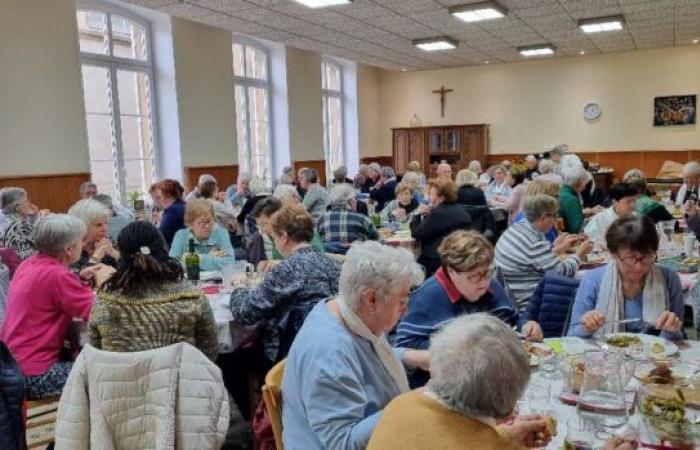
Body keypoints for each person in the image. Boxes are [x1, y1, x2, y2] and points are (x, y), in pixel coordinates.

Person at [282, 241, 429, 450]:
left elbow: (367, 356)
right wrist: (412, 403)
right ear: (371, 299)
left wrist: (410, 356)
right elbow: (344, 443)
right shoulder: (330, 352)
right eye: (402, 302)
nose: (405, 311)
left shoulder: (346, 310)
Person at [369, 314, 553, 450]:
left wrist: (505, 437)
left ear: (434, 366)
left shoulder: (402, 404)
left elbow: (447, 437)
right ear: (509, 411)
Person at [395, 231, 542, 387]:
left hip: (496, 377)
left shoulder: (492, 286)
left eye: (487, 273)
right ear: (451, 271)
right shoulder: (427, 297)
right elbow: (402, 349)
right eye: (474, 276)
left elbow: (512, 319)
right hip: (449, 386)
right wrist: (459, 349)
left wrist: (525, 324)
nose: (484, 283)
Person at [0, 215, 112, 399]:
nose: (83, 245)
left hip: (12, 366)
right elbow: (101, 313)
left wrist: (80, 279)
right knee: (110, 374)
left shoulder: (29, 264)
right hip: (34, 374)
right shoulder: (57, 275)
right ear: (69, 249)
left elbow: (52, 294)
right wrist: (104, 282)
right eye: (81, 241)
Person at [230, 203, 341, 366]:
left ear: (283, 236)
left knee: (230, 360)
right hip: (333, 349)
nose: (274, 242)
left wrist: (239, 288)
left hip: (292, 354)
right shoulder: (333, 265)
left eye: (274, 237)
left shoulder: (287, 270)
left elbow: (245, 313)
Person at [91, 221, 218, 361]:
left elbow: (96, 356)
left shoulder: (105, 302)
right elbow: (209, 354)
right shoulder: (192, 297)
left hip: (121, 381)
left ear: (121, 255)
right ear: (162, 249)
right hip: (179, 380)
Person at [569, 216, 684, 340]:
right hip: (606, 353)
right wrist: (587, 327)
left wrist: (671, 329)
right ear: (613, 254)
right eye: (630, 258)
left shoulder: (669, 278)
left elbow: (678, 337)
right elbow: (572, 335)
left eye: (646, 257)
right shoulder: (594, 279)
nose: (639, 267)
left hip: (657, 355)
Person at [495, 195, 590, 311]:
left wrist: (560, 247)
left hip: (513, 292)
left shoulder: (518, 228)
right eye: (554, 216)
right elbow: (562, 272)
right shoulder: (535, 242)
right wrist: (579, 254)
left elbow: (535, 259)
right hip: (529, 301)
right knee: (587, 288)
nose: (555, 220)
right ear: (544, 217)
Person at [411, 179, 473, 277]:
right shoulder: (461, 211)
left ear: (441, 198)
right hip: (459, 258)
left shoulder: (437, 214)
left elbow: (417, 234)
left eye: (431, 194)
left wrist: (417, 215)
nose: (429, 198)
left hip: (436, 260)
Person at [253, 197, 325, 264]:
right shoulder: (273, 237)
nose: (262, 230)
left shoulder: (301, 232)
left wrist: (277, 264)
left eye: (264, 224)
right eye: (259, 225)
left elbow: (317, 259)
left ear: (277, 217)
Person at [169, 199, 235, 271]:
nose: (207, 226)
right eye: (202, 223)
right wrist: (210, 258)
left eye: (209, 221)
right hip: (190, 281)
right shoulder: (181, 235)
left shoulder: (221, 233)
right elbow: (172, 266)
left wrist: (198, 258)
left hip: (216, 281)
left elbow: (230, 263)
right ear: (190, 224)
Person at [317, 184, 379, 254]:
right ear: (350, 201)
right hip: (356, 261)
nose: (356, 202)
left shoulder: (321, 219)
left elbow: (318, 244)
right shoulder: (362, 219)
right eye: (355, 199)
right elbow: (378, 242)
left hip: (330, 261)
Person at [68, 199, 120, 271]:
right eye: (98, 225)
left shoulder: (108, 240)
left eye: (106, 223)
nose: (105, 229)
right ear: (82, 226)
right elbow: (76, 280)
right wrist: (96, 257)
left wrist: (114, 253)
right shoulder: (70, 249)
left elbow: (130, 272)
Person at [0, 187, 40, 259]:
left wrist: (33, 217)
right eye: (26, 201)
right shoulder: (20, 226)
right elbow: (40, 245)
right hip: (24, 264)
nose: (29, 204)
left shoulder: (5, 218)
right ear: (17, 207)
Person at [558, 164, 589, 233]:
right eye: (584, 180)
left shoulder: (562, 191)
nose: (585, 184)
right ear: (579, 181)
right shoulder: (571, 199)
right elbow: (578, 228)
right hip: (568, 236)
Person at [156, 179, 186, 246]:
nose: (159, 201)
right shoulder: (184, 205)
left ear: (168, 195)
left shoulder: (171, 210)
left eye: (160, 197)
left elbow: (161, 235)